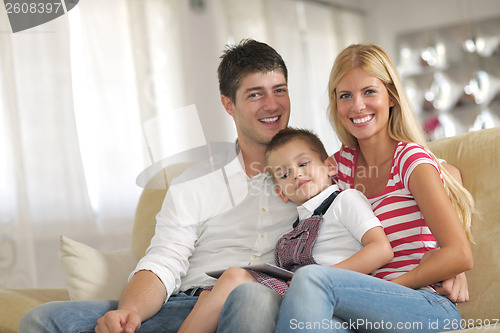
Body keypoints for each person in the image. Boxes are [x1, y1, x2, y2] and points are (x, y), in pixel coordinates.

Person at [20, 39, 297, 333]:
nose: (272, 104)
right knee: (42, 319)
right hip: (187, 306)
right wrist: (128, 313)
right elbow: (164, 261)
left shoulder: (317, 177)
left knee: (253, 298)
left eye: (279, 90)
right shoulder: (194, 184)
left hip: (267, 307)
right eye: (256, 94)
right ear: (228, 104)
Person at [275, 43, 475, 333]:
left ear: (391, 96)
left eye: (369, 91)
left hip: (423, 304)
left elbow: (460, 254)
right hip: (364, 308)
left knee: (311, 279)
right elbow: (296, 179)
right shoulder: (339, 167)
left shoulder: (410, 161)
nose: (357, 106)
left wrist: (388, 287)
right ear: (336, 104)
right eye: (346, 95)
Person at [178, 127, 393, 333]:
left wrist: (319, 278)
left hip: (332, 294)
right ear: (282, 193)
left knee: (235, 276)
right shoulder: (297, 226)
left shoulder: (345, 200)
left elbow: (381, 249)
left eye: (303, 164)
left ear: (330, 166)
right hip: (300, 292)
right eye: (284, 175)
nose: (296, 175)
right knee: (215, 289)